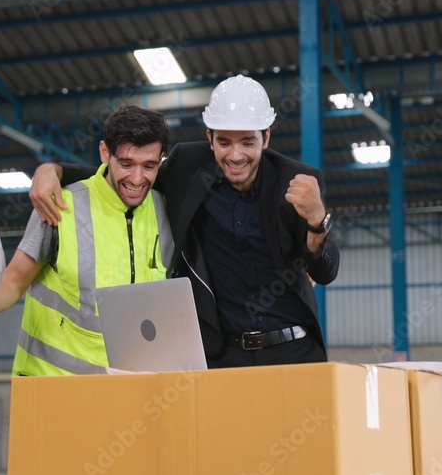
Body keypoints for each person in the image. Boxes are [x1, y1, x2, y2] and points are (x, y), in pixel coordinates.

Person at [29, 75, 339, 368]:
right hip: (220, 358)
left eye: (247, 142)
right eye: (224, 142)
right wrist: (52, 170)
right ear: (209, 138)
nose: (235, 155)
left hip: (295, 351)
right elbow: (129, 175)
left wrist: (317, 219)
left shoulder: (299, 182)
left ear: (266, 137)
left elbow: (325, 271)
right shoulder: (188, 167)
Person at [0, 105, 173, 376]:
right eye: (127, 164)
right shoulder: (60, 205)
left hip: (125, 387)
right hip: (53, 385)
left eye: (149, 166)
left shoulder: (165, 210)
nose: (137, 178)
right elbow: (12, 283)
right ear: (105, 153)